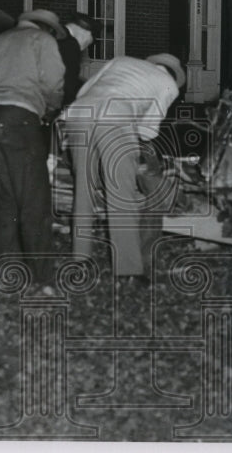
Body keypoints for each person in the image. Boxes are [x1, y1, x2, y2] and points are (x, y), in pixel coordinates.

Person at [60, 53, 185, 282]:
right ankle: (127, 269)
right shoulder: (168, 84)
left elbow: (83, 91)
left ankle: (81, 259)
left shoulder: (120, 62)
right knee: (120, 194)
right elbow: (149, 130)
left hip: (79, 113)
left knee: (83, 189)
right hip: (116, 118)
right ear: (175, 76)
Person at [0, 9, 66, 292]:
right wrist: (50, 106)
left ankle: (4, 272)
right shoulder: (42, 40)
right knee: (35, 201)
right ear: (47, 28)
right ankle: (44, 279)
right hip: (22, 119)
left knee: (7, 199)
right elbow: (53, 82)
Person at [57, 12, 100, 108]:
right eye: (90, 43)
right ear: (88, 34)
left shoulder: (55, 34)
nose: (85, 47)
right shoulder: (70, 45)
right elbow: (68, 82)